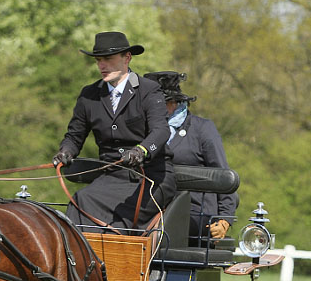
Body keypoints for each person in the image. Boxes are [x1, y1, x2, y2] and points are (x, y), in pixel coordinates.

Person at [53, 32, 175, 233]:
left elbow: (161, 131)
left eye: (108, 59)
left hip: (151, 178)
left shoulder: (149, 90)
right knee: (81, 199)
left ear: (127, 58)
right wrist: (66, 151)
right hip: (111, 177)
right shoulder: (89, 95)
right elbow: (74, 136)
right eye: (98, 60)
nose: (102, 65)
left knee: (108, 212)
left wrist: (141, 151)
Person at [143, 71, 238, 240]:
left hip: (195, 211)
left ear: (173, 103)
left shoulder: (202, 129)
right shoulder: (143, 130)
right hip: (152, 208)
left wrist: (225, 219)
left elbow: (222, 173)